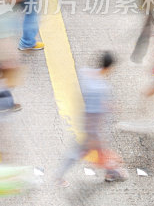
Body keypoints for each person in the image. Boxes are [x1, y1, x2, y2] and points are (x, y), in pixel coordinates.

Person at [54, 51, 127, 186]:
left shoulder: (85, 73)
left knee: (100, 151)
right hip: (93, 128)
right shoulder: (100, 88)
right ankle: (58, 177)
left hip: (90, 125)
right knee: (79, 152)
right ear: (109, 68)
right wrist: (95, 134)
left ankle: (111, 173)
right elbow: (94, 112)